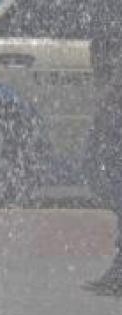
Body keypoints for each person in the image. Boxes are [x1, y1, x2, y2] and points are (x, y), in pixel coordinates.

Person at [83, 2, 122, 296]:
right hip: (110, 107)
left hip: (114, 108)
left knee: (101, 168)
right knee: (95, 167)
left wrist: (110, 95)